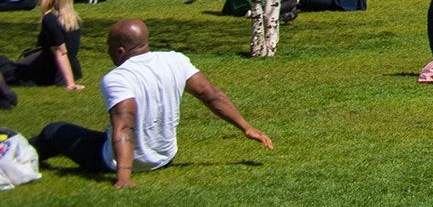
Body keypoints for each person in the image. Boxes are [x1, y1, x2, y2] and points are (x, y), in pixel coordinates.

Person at [32, 18, 271, 185]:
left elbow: (124, 127)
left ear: (121, 51)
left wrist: (123, 176)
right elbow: (211, 95)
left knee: (54, 131)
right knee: (94, 135)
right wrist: (247, 127)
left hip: (118, 161)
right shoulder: (175, 60)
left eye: (110, 47)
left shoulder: (117, 78)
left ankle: (16, 155)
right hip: (164, 157)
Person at [0, 0, 85, 90]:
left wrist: (70, 84)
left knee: (3, 64)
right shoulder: (73, 19)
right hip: (72, 70)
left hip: (48, 72)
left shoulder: (49, 18)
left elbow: (61, 52)